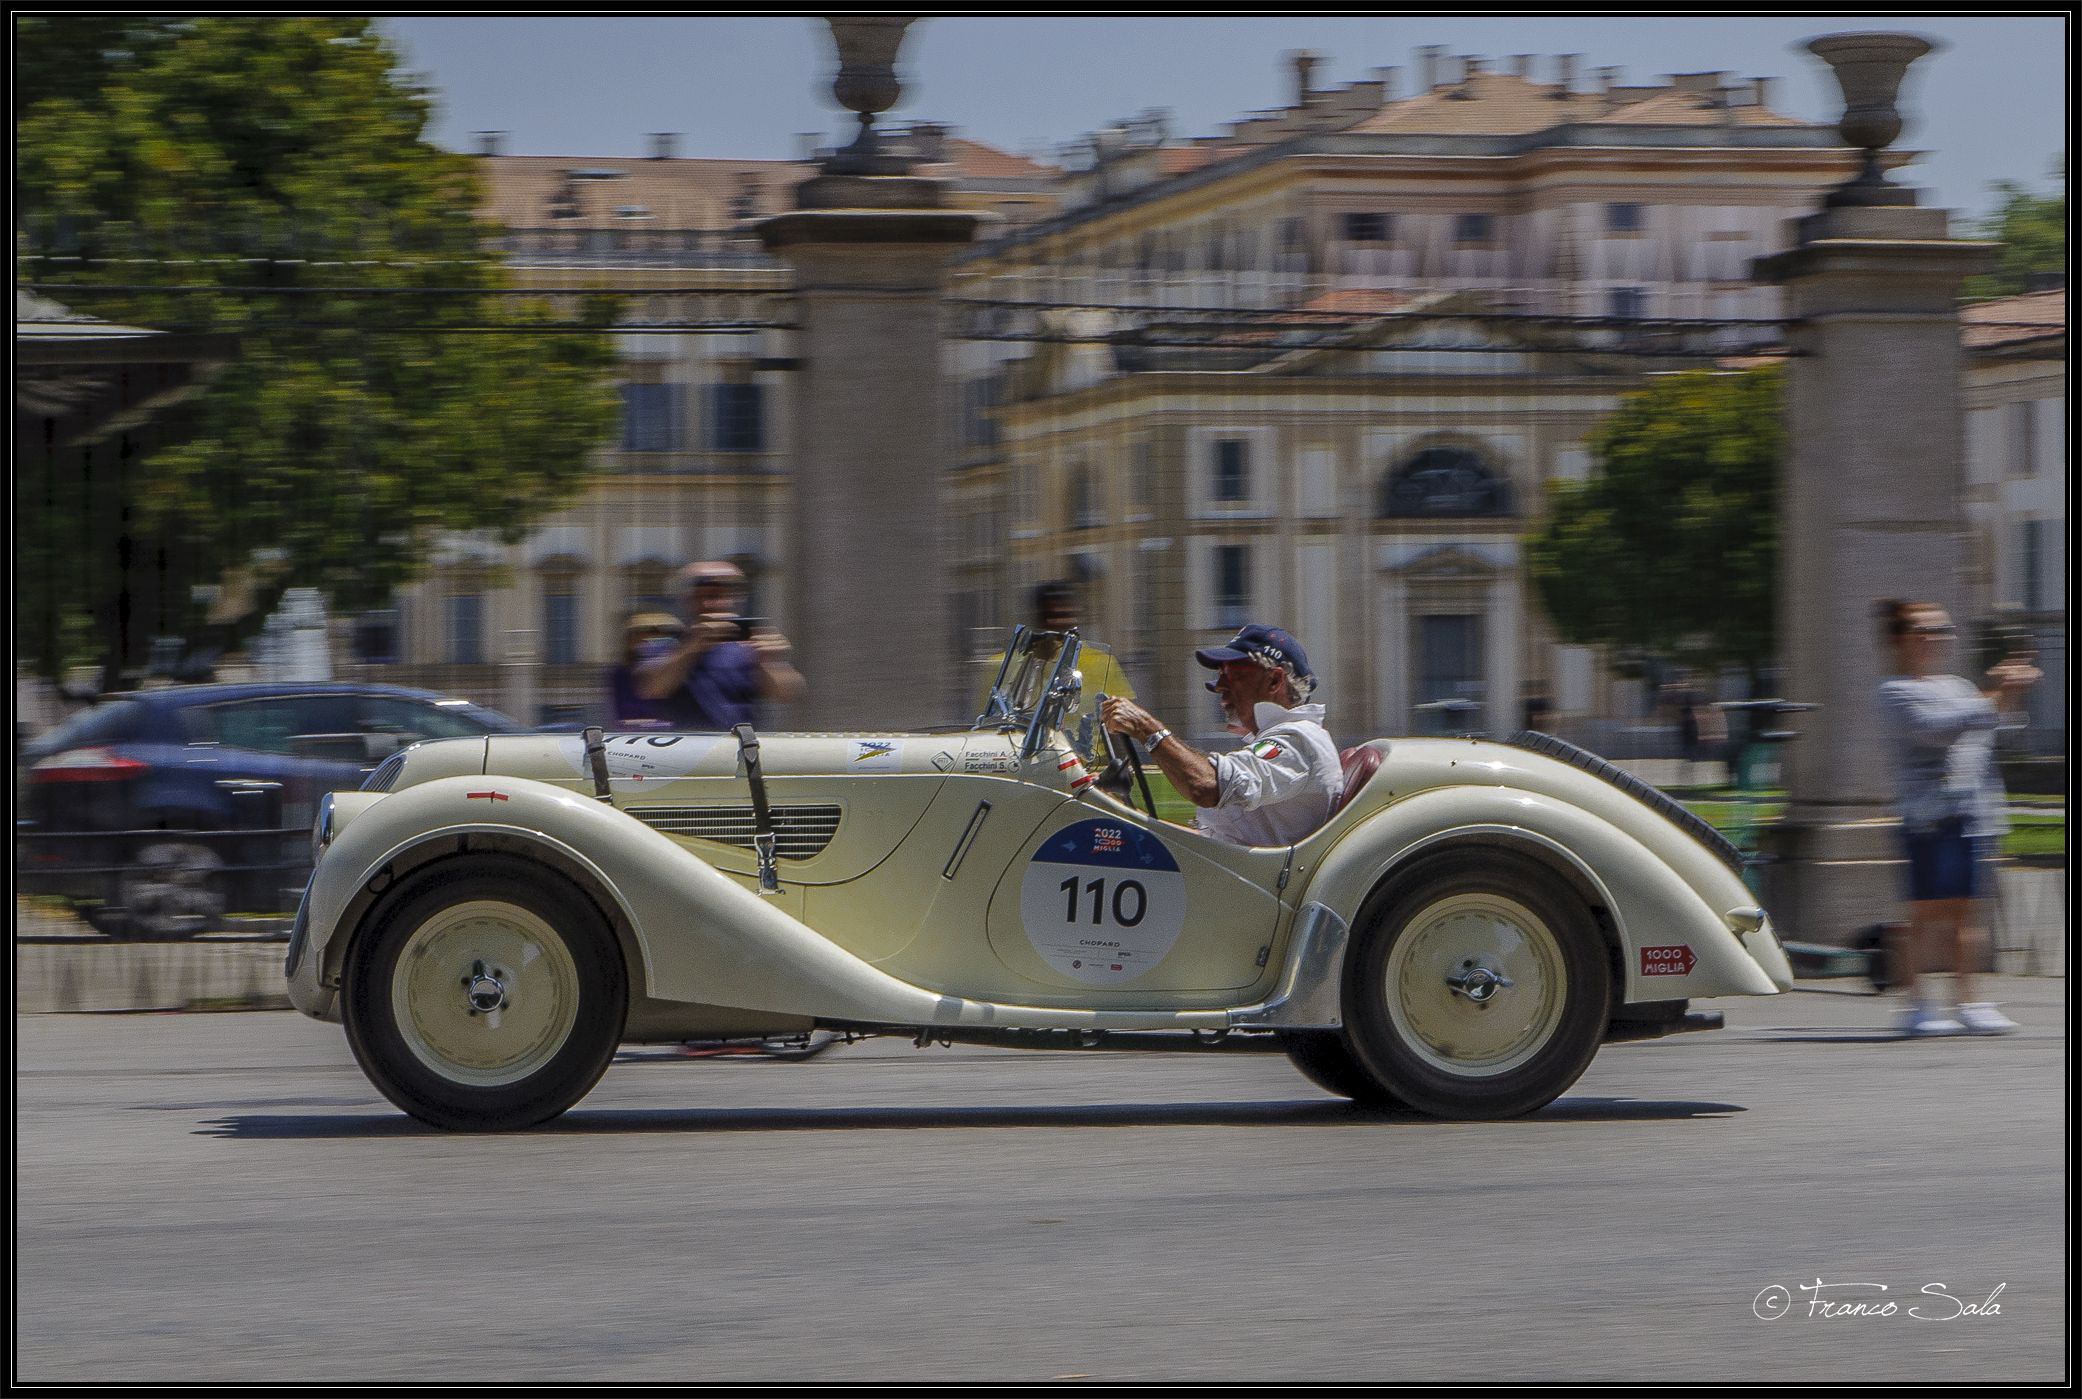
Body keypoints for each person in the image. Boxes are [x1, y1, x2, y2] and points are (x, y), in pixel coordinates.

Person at [1875, 599, 2039, 1037]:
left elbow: (1994, 729)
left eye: (1941, 631)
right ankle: (1916, 1005)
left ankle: (1969, 1002)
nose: (1935, 639)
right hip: (1927, 816)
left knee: (1966, 912)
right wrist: (1995, 694)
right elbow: (1933, 729)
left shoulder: (1959, 685)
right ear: (1899, 640)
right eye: (1924, 631)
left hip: (1969, 813)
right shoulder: (1894, 690)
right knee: (1926, 912)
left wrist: (2011, 694)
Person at [1099, 623, 1342, 847]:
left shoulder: (1297, 740)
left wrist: (1146, 728)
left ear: (1274, 681)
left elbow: (1206, 787)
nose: (1219, 687)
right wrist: (1126, 819)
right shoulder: (1289, 738)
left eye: (1232, 674)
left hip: (1251, 879)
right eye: (1220, 674)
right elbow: (1217, 840)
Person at [635, 561, 804, 730]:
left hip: (742, 742)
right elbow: (650, 689)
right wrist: (691, 647)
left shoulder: (750, 645)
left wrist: (770, 662)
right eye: (700, 596)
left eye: (717, 596)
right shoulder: (667, 645)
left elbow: (787, 694)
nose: (709, 604)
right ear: (686, 600)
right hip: (686, 743)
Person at [606, 612, 682, 727]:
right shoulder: (621, 673)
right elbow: (625, 711)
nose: (651, 639)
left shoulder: (681, 671)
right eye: (642, 633)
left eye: (659, 634)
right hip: (636, 732)